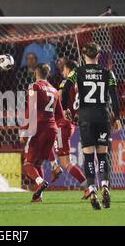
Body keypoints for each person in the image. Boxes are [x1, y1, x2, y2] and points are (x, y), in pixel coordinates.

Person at [69, 42, 121, 209]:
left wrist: (64, 108)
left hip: (86, 117)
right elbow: (114, 96)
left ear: (84, 56)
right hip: (103, 116)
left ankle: (92, 190)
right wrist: (117, 117)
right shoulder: (108, 73)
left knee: (89, 155)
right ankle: (105, 185)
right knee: (103, 155)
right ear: (99, 56)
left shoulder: (77, 71)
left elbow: (65, 89)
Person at [20, 63, 63, 202]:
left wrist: (24, 130)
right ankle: (39, 196)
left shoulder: (34, 86)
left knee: (27, 165)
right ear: (47, 74)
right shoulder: (54, 90)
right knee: (37, 164)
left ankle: (40, 182)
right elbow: (60, 115)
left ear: (35, 73)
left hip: (39, 128)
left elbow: (30, 109)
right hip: (52, 129)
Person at [50, 58, 89, 199]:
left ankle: (87, 187)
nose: (63, 72)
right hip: (71, 124)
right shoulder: (83, 83)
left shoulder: (66, 82)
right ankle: (55, 166)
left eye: (64, 70)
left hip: (62, 124)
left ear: (68, 69)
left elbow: (59, 97)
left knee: (65, 162)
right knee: (48, 141)